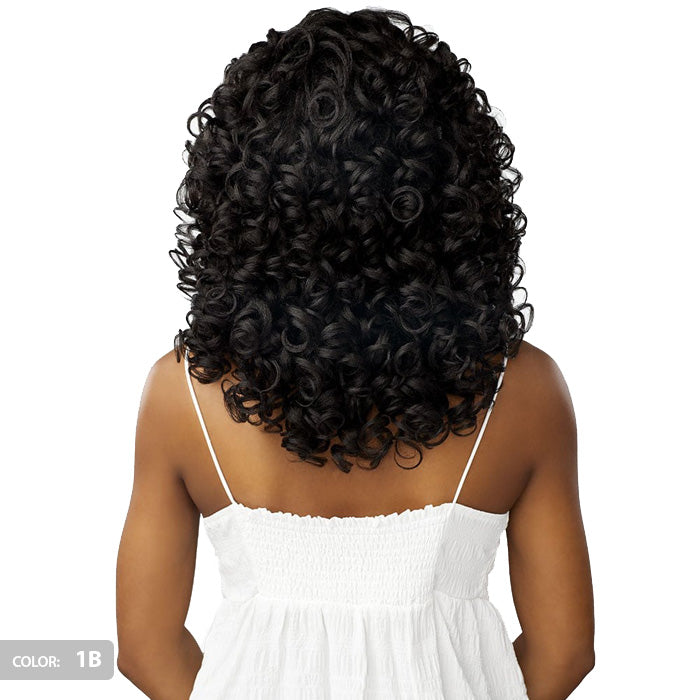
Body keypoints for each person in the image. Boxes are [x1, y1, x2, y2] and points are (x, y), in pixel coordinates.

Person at [116, 7, 595, 699]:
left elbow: (145, 647)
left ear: (242, 195)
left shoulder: (184, 394)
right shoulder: (523, 390)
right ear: (450, 192)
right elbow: (564, 650)